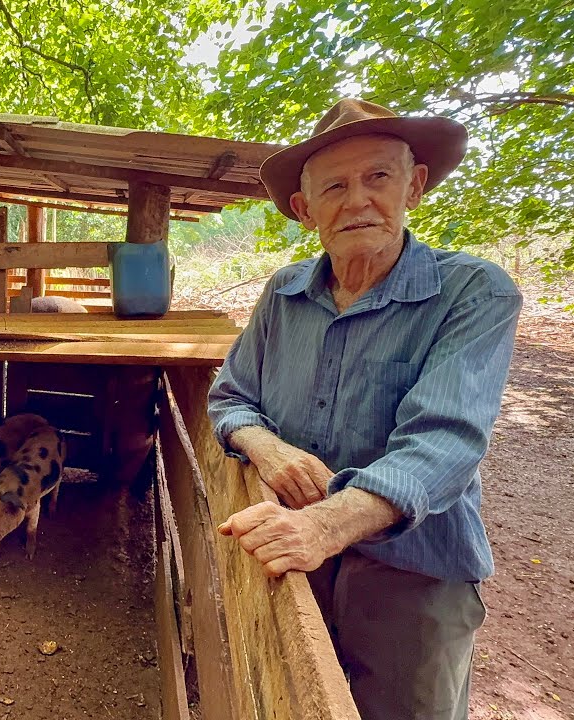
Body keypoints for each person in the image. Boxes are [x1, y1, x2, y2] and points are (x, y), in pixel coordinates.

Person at [208, 98, 522, 720]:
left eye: (378, 177)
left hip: (415, 574)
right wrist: (267, 447)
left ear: (416, 186)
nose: (357, 201)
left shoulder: (474, 291)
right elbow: (230, 395)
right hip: (298, 556)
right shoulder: (284, 293)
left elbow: (446, 441)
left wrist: (325, 525)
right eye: (334, 186)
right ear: (306, 209)